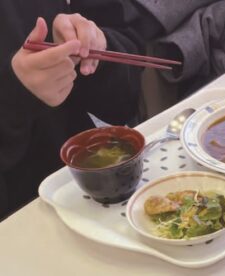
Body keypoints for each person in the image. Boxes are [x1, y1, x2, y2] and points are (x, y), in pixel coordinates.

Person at [0, 0, 145, 220]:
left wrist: (94, 49)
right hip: (18, 220)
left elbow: (124, 99)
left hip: (85, 189)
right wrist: (14, 94)